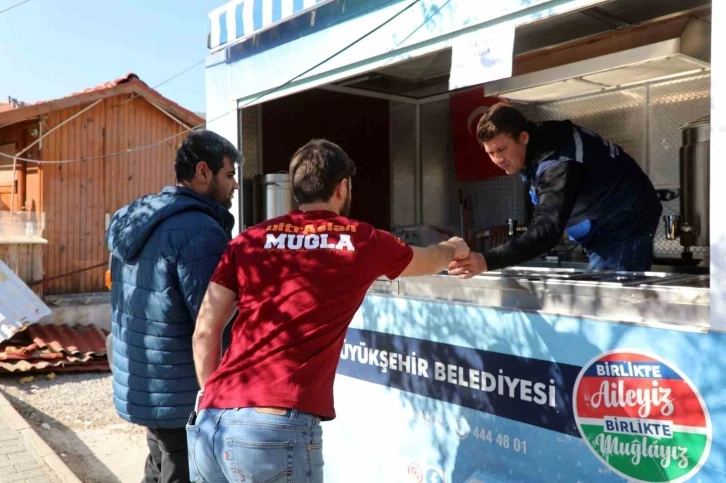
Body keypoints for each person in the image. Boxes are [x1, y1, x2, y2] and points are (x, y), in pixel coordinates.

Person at [187, 139, 469, 483]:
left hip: (210, 424)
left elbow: (205, 330)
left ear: (297, 190)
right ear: (342, 187)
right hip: (274, 430)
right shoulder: (360, 241)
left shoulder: (248, 240)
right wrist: (452, 247)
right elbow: (427, 260)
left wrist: (211, 398)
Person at [105, 130, 240, 483]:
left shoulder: (140, 217)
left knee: (159, 461)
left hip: (146, 383)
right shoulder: (200, 231)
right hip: (180, 388)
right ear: (202, 172)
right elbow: (214, 320)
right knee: (179, 469)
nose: (236, 185)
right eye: (229, 174)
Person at [449, 103, 662, 278]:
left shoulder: (558, 164)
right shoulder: (537, 146)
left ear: (523, 137)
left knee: (616, 306)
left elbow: (547, 231)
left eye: (502, 149)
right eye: (491, 152)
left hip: (624, 228)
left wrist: (487, 261)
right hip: (602, 229)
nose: (497, 159)